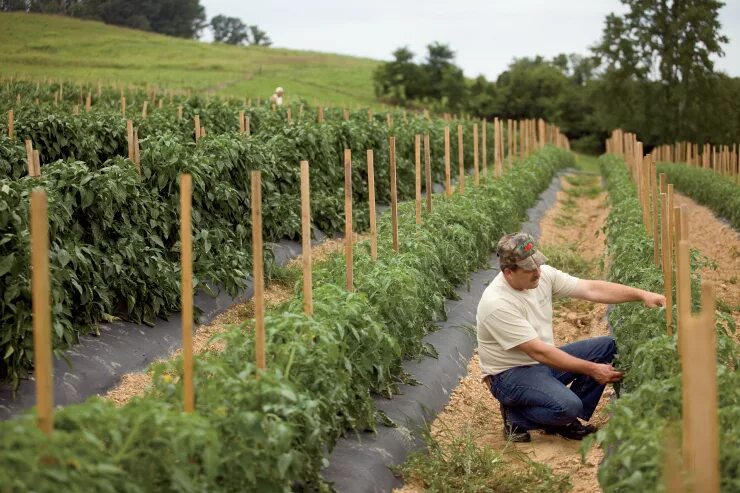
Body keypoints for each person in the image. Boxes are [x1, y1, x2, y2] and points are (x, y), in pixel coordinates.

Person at [477, 232, 665, 442]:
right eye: (529, 269)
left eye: (538, 264)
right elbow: (539, 351)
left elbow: (591, 289)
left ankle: (562, 421)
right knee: (568, 406)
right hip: (509, 376)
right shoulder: (497, 303)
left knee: (606, 347)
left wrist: (642, 295)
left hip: (541, 364)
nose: (537, 272)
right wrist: (593, 369)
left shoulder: (543, 277)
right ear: (509, 272)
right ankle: (517, 417)